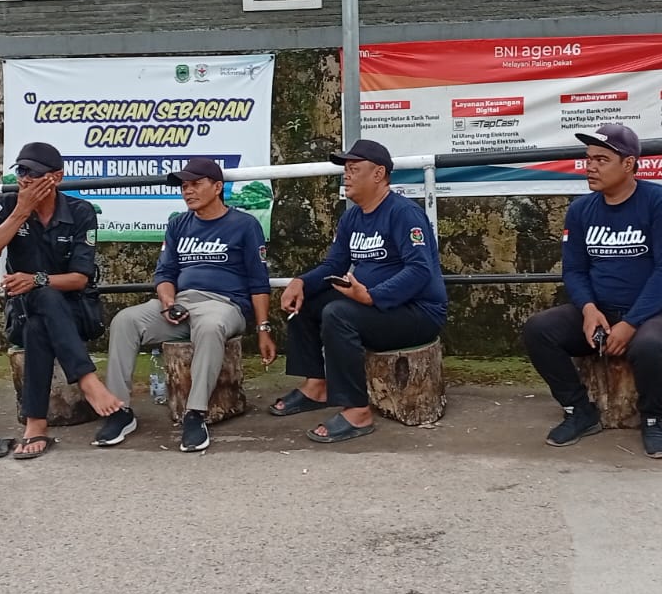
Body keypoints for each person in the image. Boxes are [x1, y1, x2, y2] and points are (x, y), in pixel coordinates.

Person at [521, 125, 662, 458]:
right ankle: (579, 411)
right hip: (601, 309)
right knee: (538, 330)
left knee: (650, 346)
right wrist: (587, 309)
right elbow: (574, 270)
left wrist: (631, 323)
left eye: (602, 160)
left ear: (628, 164)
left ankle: (653, 418)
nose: (591, 167)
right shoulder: (581, 210)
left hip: (659, 313)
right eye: (588, 159)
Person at [274, 139, 448, 444]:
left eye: (354, 169)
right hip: (373, 305)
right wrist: (300, 282)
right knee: (307, 301)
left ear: (378, 174)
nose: (346, 175)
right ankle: (317, 386)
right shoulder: (352, 217)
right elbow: (334, 264)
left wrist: (372, 296)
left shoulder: (403, 213)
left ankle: (357, 411)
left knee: (338, 314)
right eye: (346, 169)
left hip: (417, 313)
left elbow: (420, 270)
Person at [102, 158, 276, 453]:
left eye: (196, 184)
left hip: (224, 305)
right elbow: (165, 275)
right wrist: (168, 302)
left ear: (217, 187)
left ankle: (195, 414)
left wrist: (263, 329)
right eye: (184, 186)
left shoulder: (245, 225)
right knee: (125, 320)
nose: (188, 191)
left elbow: (259, 283)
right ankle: (119, 411)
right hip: (181, 303)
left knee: (209, 326)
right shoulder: (178, 224)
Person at [0, 141, 125, 458]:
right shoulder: (9, 204)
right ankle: (87, 381)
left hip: (75, 313)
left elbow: (79, 278)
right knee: (38, 310)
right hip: (23, 310)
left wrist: (37, 279)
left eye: (34, 173)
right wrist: (21, 212)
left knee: (42, 308)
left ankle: (35, 425)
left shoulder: (80, 212)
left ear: (56, 177)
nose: (25, 179)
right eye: (21, 171)